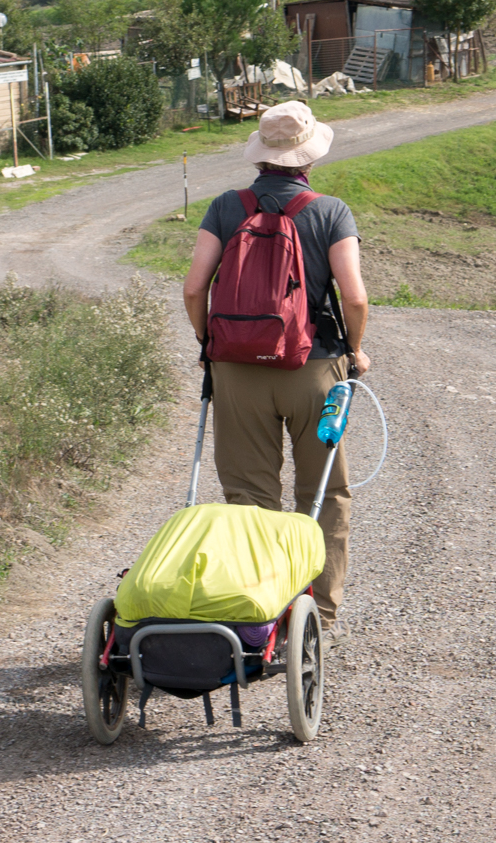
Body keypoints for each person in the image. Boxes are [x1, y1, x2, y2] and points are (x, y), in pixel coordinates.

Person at [181, 100, 370, 637]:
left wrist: (208, 342)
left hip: (236, 370)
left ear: (261, 156)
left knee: (248, 500)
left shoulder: (224, 206)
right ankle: (317, 616)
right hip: (313, 369)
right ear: (308, 155)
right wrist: (355, 351)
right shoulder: (330, 210)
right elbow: (353, 298)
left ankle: (256, 612)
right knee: (323, 494)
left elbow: (195, 287)